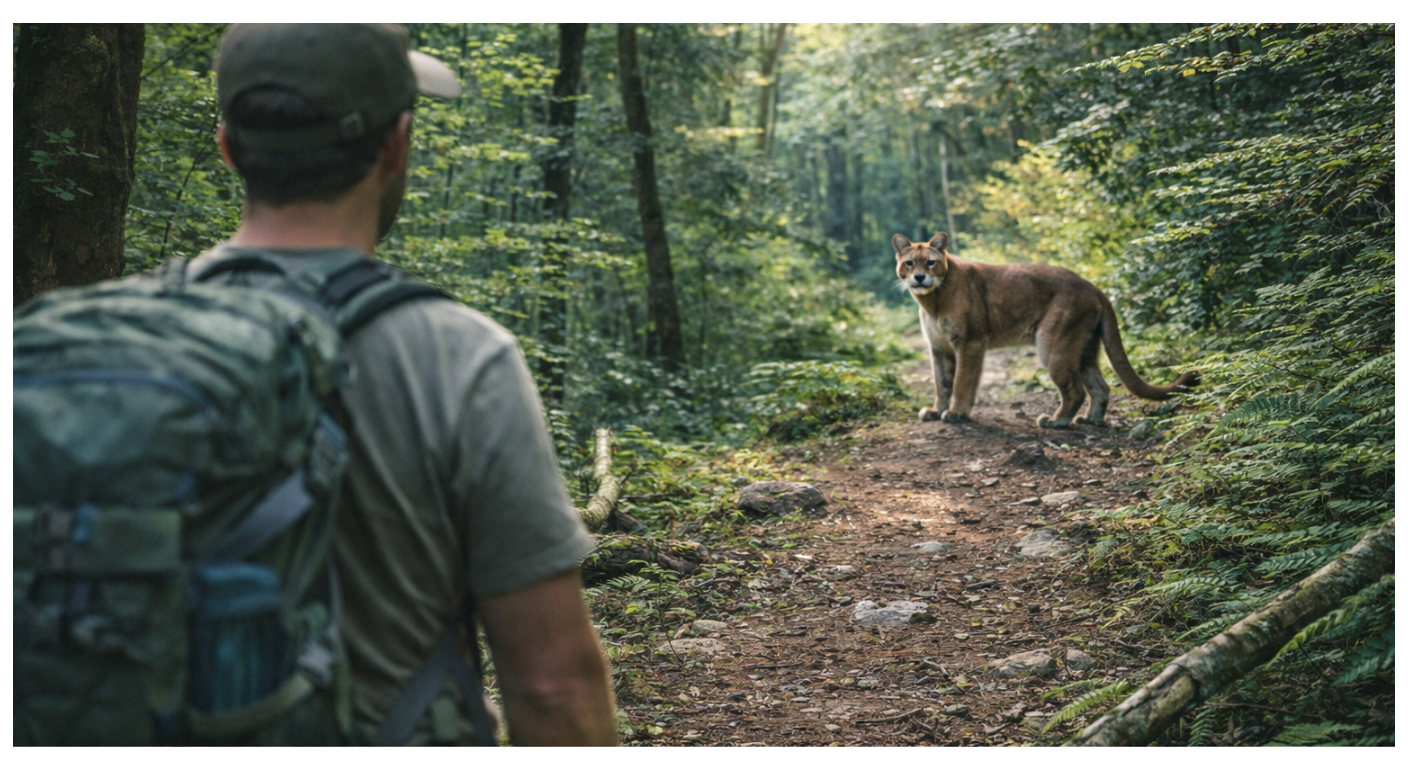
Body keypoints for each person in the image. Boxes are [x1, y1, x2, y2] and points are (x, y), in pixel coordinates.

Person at [197, 23, 618, 746]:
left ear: (228, 146)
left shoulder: (85, 341)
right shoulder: (458, 356)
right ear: (397, 144)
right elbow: (552, 687)